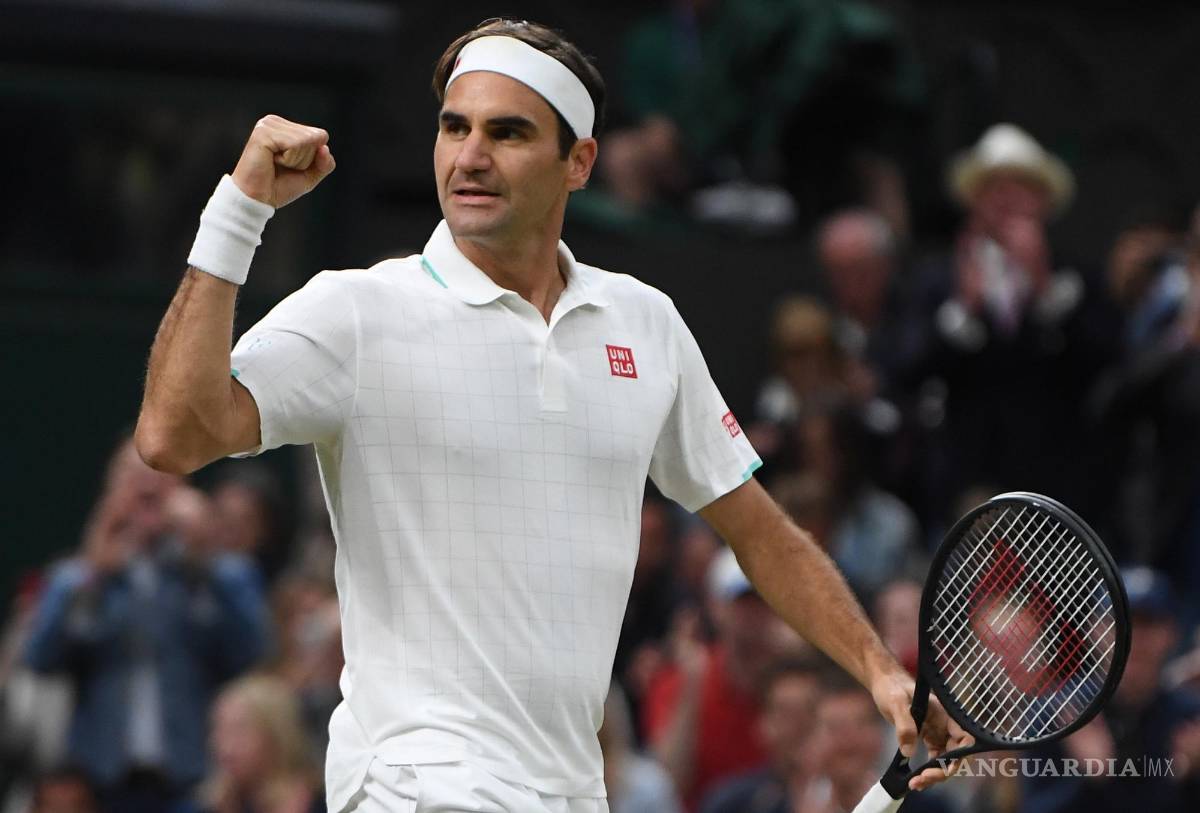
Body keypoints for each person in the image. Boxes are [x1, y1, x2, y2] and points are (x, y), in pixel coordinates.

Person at [133, 17, 968, 813]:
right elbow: (174, 434)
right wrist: (238, 211)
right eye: (454, 127)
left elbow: (759, 531)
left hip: (571, 785)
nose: (470, 156)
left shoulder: (645, 322)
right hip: (416, 780)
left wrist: (878, 669)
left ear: (580, 162)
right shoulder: (357, 310)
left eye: (508, 133)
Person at [22, 439, 268, 811]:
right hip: (99, 787)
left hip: (193, 781)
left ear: (184, 488)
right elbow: (40, 658)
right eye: (133, 478)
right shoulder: (79, 576)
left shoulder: (216, 571)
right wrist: (93, 573)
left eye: (159, 473)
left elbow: (253, 655)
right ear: (111, 489)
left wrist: (204, 555)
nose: (147, 487)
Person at [181, 674, 324, 813]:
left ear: (277, 734)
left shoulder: (328, 802)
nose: (224, 746)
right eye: (218, 730)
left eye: (238, 730)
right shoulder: (204, 805)